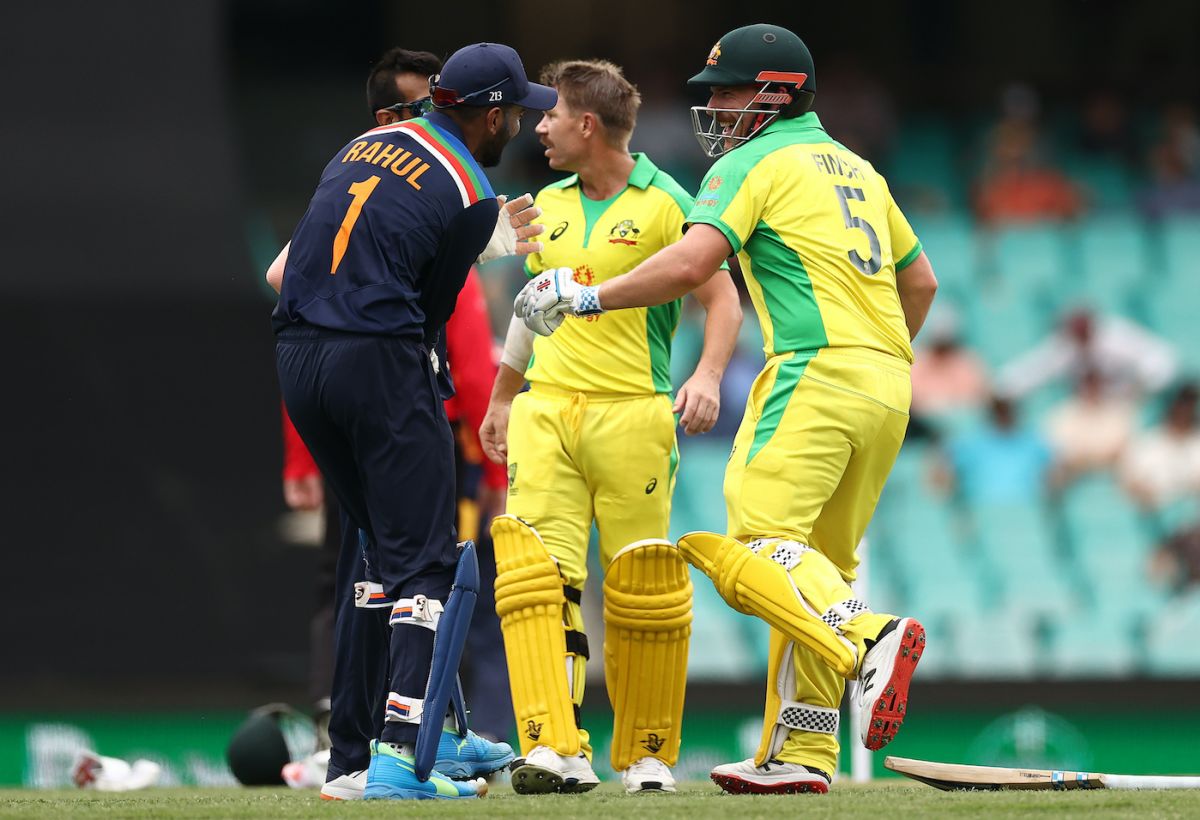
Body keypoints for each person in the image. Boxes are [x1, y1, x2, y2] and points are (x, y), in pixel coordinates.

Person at [514, 24, 938, 795]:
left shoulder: (752, 160)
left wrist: (586, 294)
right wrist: (874, 363)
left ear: (776, 94)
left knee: (755, 542)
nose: (715, 107)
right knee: (818, 568)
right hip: (890, 384)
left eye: (728, 93)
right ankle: (803, 754)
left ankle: (869, 635)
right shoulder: (859, 170)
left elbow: (692, 263)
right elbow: (923, 285)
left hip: (812, 372)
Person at [270, 42, 556, 801]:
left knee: (373, 552)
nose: (522, 127)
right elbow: (430, 315)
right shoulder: (467, 177)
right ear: (490, 113)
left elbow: (285, 267)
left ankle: (354, 759)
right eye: (518, 113)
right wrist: (479, 235)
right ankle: (402, 754)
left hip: (298, 360)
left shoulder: (361, 144)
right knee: (426, 559)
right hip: (377, 360)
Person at [478, 59, 742, 795]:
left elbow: (721, 301)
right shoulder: (547, 205)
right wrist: (504, 396)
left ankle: (648, 755)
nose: (541, 128)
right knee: (535, 579)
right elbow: (534, 308)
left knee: (642, 587)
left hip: (633, 411)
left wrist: (709, 374)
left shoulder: (667, 202)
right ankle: (552, 747)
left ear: (586, 124)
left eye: (551, 116)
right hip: (547, 410)